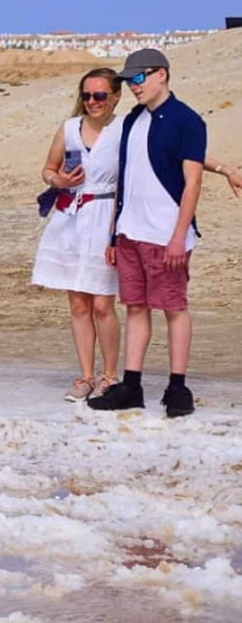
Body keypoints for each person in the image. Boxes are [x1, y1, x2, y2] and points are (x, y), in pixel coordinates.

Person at [88, 49, 207, 417]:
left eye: (139, 78)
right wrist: (114, 233)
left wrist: (178, 235)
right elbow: (125, 179)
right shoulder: (132, 120)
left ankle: (178, 387)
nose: (134, 86)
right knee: (136, 307)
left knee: (174, 307)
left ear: (161, 75)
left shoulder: (187, 120)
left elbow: (192, 182)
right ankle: (132, 385)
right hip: (130, 233)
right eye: (129, 81)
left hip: (165, 234)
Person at [30, 68, 122, 401]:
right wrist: (59, 181)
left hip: (106, 216)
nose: (92, 101)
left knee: (103, 303)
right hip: (71, 218)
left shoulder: (124, 129)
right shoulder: (69, 128)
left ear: (115, 96)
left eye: (100, 95)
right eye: (86, 95)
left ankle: (110, 376)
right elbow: (48, 169)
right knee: (78, 303)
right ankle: (85, 376)